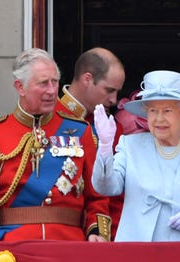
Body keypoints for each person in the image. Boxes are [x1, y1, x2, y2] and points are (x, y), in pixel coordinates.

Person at [0, 48, 110, 242]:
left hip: (68, 244)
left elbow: (97, 197)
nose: (51, 90)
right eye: (43, 83)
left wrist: (97, 233)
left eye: (55, 82)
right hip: (14, 246)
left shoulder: (81, 131)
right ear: (20, 87)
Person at [91, 70, 180, 241]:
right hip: (137, 253)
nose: (159, 118)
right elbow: (106, 187)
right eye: (153, 110)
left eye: (167, 110)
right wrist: (104, 147)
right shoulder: (130, 145)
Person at [54, 47, 125, 240]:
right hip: (59, 237)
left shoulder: (114, 130)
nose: (114, 100)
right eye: (109, 90)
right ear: (87, 79)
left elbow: (117, 200)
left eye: (117, 92)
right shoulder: (49, 120)